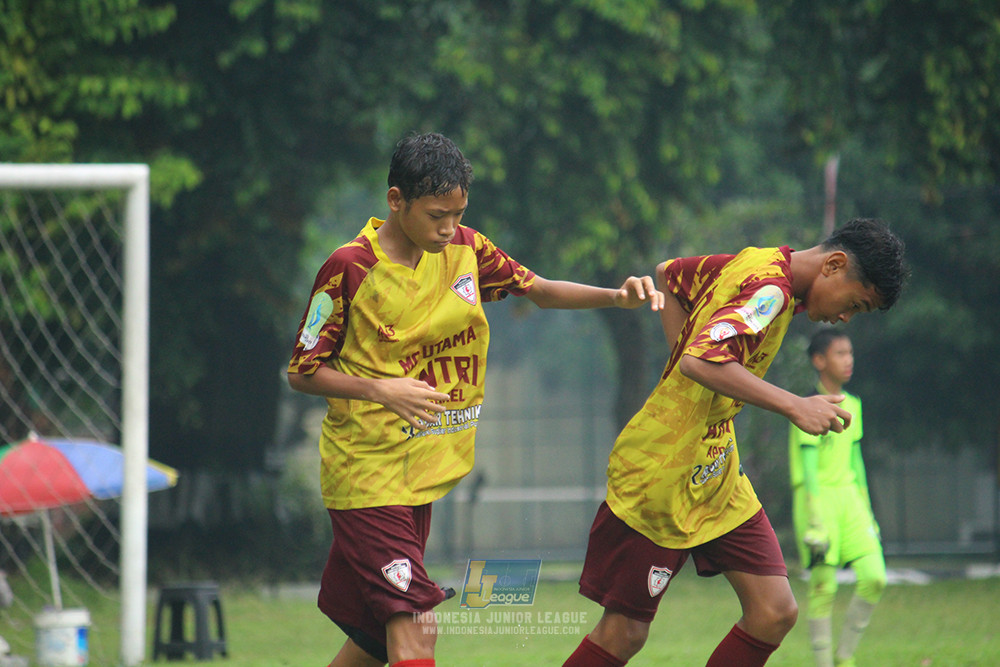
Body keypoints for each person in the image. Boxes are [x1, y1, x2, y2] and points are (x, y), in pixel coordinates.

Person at [286, 132, 663, 667]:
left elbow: (536, 288)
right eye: (437, 214)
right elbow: (303, 371)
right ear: (397, 201)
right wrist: (379, 389)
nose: (448, 227)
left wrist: (613, 297)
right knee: (418, 626)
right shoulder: (349, 268)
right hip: (365, 474)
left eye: (458, 213)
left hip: (420, 476)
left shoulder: (465, 248)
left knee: (373, 641)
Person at [563, 218, 907, 667]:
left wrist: (687, 365)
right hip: (662, 468)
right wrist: (794, 406)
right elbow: (700, 362)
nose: (845, 318)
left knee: (774, 611)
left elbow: (670, 275)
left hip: (716, 469)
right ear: (835, 264)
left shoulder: (758, 260)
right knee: (624, 633)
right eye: (856, 305)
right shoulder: (772, 291)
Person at [788, 328, 885, 667]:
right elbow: (809, 467)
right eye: (840, 353)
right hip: (818, 501)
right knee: (823, 586)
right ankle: (823, 663)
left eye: (850, 353)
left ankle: (845, 657)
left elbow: (855, 461)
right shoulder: (806, 407)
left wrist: (868, 510)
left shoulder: (854, 404)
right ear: (819, 360)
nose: (848, 360)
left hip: (850, 500)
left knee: (875, 577)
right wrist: (814, 516)